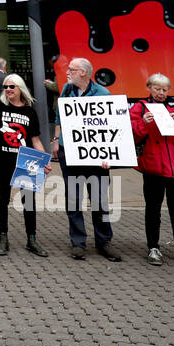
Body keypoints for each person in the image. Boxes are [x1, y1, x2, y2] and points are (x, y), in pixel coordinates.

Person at [129, 74, 174, 267]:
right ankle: (153, 247)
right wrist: (143, 123)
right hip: (153, 167)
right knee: (153, 210)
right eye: (157, 88)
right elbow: (130, 136)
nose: (161, 93)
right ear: (149, 88)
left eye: (164, 89)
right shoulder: (140, 108)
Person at [51, 57, 120, 261]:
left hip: (95, 157)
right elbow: (59, 116)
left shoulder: (103, 94)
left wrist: (108, 155)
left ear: (83, 72)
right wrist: (56, 140)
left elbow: (111, 127)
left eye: (71, 69)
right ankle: (78, 242)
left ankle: (104, 241)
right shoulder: (66, 90)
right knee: (73, 198)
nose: (68, 72)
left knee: (99, 199)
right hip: (69, 152)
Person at [0, 73, 50, 257]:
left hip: (26, 160)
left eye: (12, 86)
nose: (8, 90)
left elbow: (35, 140)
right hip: (3, 160)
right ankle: (3, 238)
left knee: (28, 199)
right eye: (5, 87)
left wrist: (44, 160)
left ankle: (32, 239)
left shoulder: (29, 112)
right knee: (2, 197)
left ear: (20, 88)